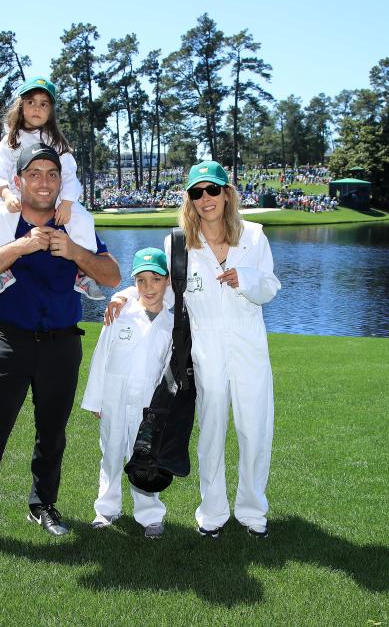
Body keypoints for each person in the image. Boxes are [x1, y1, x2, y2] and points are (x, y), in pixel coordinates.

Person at [0, 143, 122, 562]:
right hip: (11, 342)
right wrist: (20, 248)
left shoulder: (74, 224)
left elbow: (111, 275)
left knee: (52, 435)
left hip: (62, 345)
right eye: (35, 174)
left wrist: (75, 251)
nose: (44, 181)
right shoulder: (1, 221)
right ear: (19, 180)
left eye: (52, 174)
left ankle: (42, 505)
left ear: (62, 182)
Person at [107, 160, 280, 538]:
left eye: (213, 190)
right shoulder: (178, 243)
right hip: (205, 349)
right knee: (212, 431)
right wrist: (123, 294)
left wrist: (244, 279)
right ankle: (212, 514)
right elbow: (159, 287)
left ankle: (252, 512)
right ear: (189, 198)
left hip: (249, 344)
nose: (206, 199)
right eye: (197, 192)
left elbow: (270, 287)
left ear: (227, 194)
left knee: (255, 430)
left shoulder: (253, 237)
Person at [81, 247, 172, 539]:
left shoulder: (172, 322)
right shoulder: (120, 314)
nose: (148, 287)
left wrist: (165, 410)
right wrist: (96, 399)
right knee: (111, 452)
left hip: (148, 402)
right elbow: (101, 356)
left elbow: (169, 370)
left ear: (167, 281)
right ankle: (106, 509)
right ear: (133, 283)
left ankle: (150, 515)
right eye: (141, 281)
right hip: (114, 396)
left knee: (145, 455)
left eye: (155, 279)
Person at [0, 76, 103, 300]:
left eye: (43, 104)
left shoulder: (56, 141)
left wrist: (67, 203)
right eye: (31, 102)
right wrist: (7, 194)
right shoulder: (10, 141)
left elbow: (68, 174)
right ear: (21, 107)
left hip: (55, 197)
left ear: (51, 111)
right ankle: (3, 270)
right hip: (17, 198)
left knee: (83, 217)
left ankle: (84, 274)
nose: (36, 108)